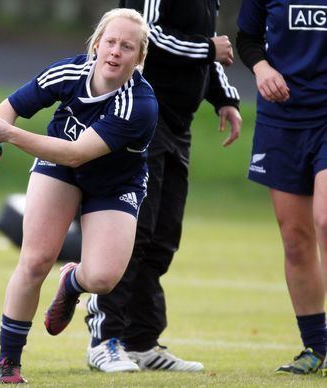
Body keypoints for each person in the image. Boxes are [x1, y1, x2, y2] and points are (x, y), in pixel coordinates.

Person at [0, 8, 157, 383]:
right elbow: (11, 107)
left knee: (102, 279)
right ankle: (8, 362)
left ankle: (72, 282)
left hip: (114, 182)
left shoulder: (140, 104)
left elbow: (77, 152)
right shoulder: (69, 71)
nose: (116, 52)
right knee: (35, 261)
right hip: (59, 169)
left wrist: (10, 137)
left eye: (127, 47)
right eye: (111, 42)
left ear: (139, 58)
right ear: (97, 44)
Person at [82, 0, 242, 373]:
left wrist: (223, 98)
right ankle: (104, 340)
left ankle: (141, 341)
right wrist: (207, 50)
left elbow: (207, 48)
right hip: (140, 118)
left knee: (162, 237)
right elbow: (145, 36)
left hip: (177, 126)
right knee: (132, 234)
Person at [236, 0, 327, 376]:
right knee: (295, 237)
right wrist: (261, 68)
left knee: (326, 221)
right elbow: (248, 38)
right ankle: (316, 348)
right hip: (283, 118)